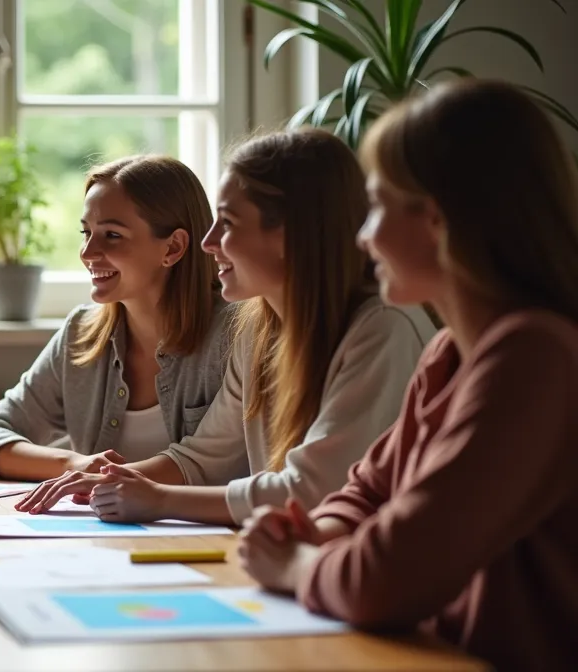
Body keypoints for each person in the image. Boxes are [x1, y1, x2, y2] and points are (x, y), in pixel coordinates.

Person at [239, 79, 578, 668]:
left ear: (437, 220)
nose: (363, 239)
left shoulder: (535, 357)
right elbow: (367, 491)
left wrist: (294, 565)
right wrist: (316, 531)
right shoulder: (448, 352)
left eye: (376, 210)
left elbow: (386, 578)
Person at [17, 129, 436, 524]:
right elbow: (202, 457)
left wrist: (158, 499)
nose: (208, 242)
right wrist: (107, 482)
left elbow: (315, 490)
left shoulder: (382, 329)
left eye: (229, 223)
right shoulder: (259, 327)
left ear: (293, 234)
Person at [0, 155, 231, 481]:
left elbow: (213, 465)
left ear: (173, 247)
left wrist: (104, 480)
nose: (88, 253)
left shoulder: (233, 337)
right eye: (86, 232)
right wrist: (72, 465)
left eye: (112, 235)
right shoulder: (81, 332)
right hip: (100, 531)